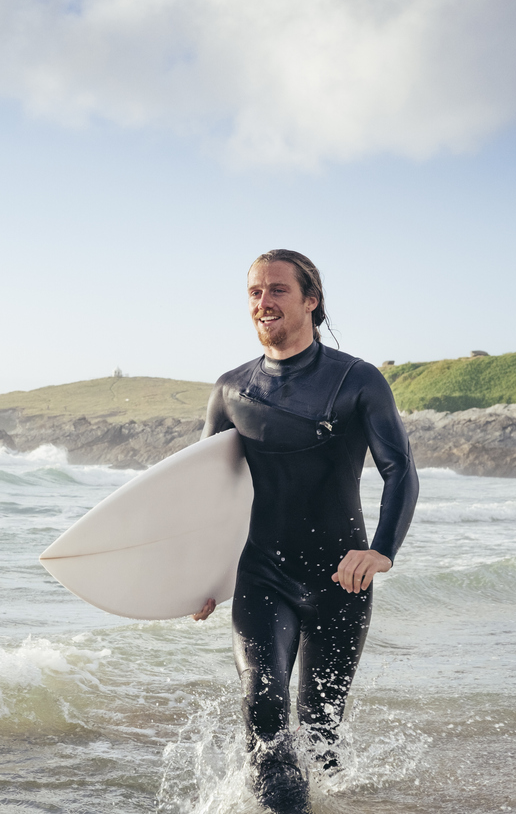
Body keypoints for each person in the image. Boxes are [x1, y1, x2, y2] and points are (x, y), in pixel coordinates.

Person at [192, 249, 418, 813]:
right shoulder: (230, 390)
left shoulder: (357, 380)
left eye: (276, 291)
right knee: (262, 709)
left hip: (340, 579)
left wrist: (381, 551)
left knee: (319, 733)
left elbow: (399, 470)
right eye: (253, 292)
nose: (262, 302)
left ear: (311, 301)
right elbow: (204, 494)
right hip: (262, 574)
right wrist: (197, 576)